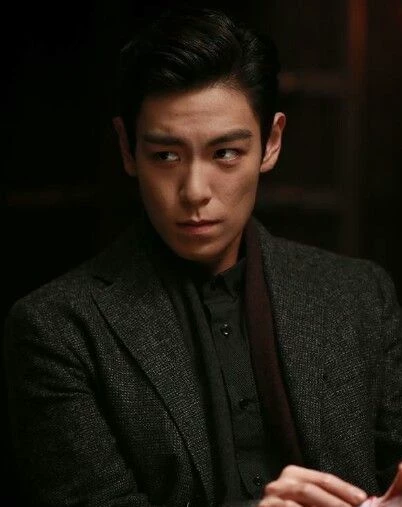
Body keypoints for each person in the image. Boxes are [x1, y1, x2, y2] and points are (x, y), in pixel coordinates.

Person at [4, 6, 402, 507]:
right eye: (166, 155)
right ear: (127, 148)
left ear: (271, 143)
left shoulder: (359, 296)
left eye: (225, 153)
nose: (194, 191)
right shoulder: (58, 330)